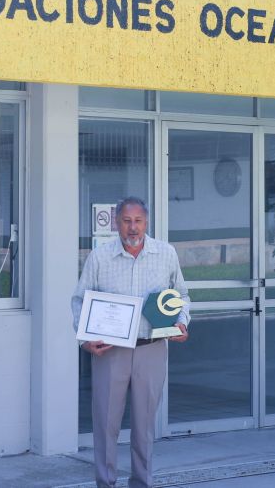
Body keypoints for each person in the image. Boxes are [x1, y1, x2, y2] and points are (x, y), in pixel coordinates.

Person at [72, 196, 190, 488]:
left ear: (146, 222)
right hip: (110, 353)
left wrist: (182, 322)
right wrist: (85, 340)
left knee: (144, 426)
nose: (132, 227)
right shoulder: (99, 257)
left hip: (151, 349)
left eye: (138, 221)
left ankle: (141, 482)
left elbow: (182, 296)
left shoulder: (166, 254)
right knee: (106, 423)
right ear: (116, 223)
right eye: (126, 221)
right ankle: (105, 482)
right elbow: (79, 301)